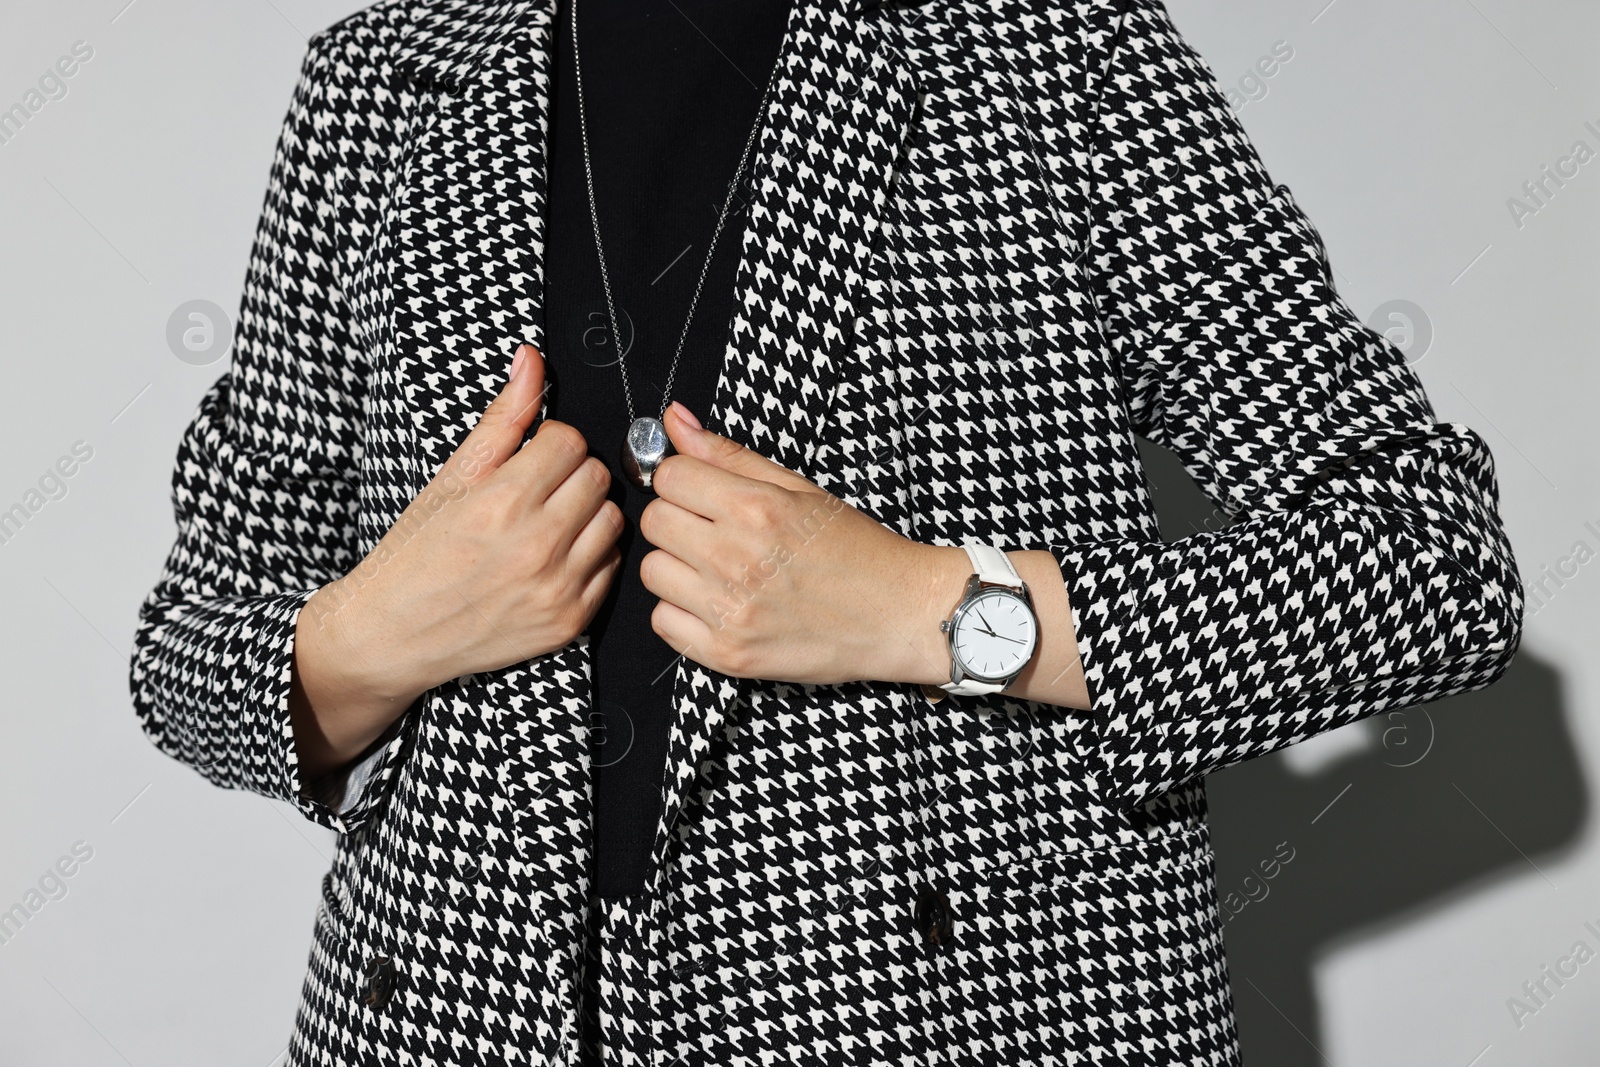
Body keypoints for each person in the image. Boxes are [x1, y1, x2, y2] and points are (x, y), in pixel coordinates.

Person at [129, 0, 1523, 1063]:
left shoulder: (1048, 53)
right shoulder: (382, 85)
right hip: (446, 1020)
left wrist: (940, 612)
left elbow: (1432, 561)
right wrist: (375, 629)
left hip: (950, 1018)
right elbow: (187, 648)